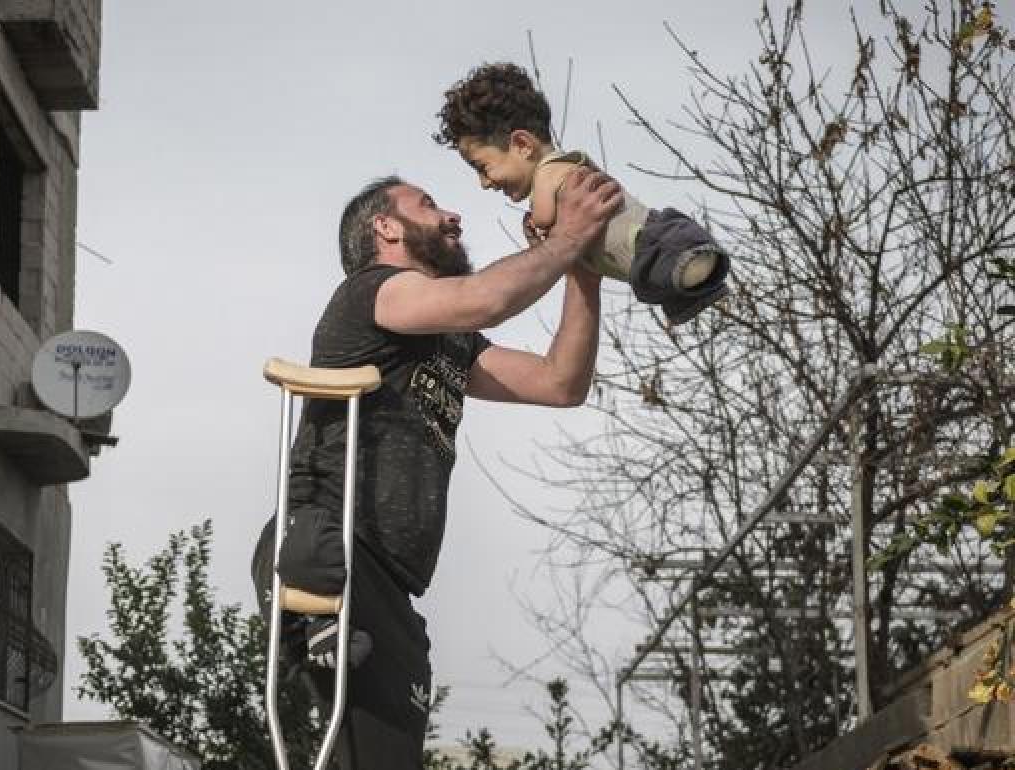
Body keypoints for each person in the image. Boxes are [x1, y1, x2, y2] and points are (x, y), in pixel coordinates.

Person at [251, 166, 622, 768]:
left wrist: (583, 273)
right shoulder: (375, 290)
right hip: (333, 545)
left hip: (390, 586)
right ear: (386, 227)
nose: (453, 215)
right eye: (429, 204)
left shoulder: (453, 342)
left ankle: (326, 635)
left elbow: (561, 382)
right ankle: (312, 620)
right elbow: (491, 299)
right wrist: (566, 240)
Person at [434, 61, 730, 326]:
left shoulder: (551, 171)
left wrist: (537, 234)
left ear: (523, 144)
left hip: (652, 241)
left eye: (483, 167)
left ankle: (696, 268)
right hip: (644, 260)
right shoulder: (564, 172)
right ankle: (699, 283)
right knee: (672, 281)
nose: (484, 183)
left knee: (675, 263)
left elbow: (544, 217)